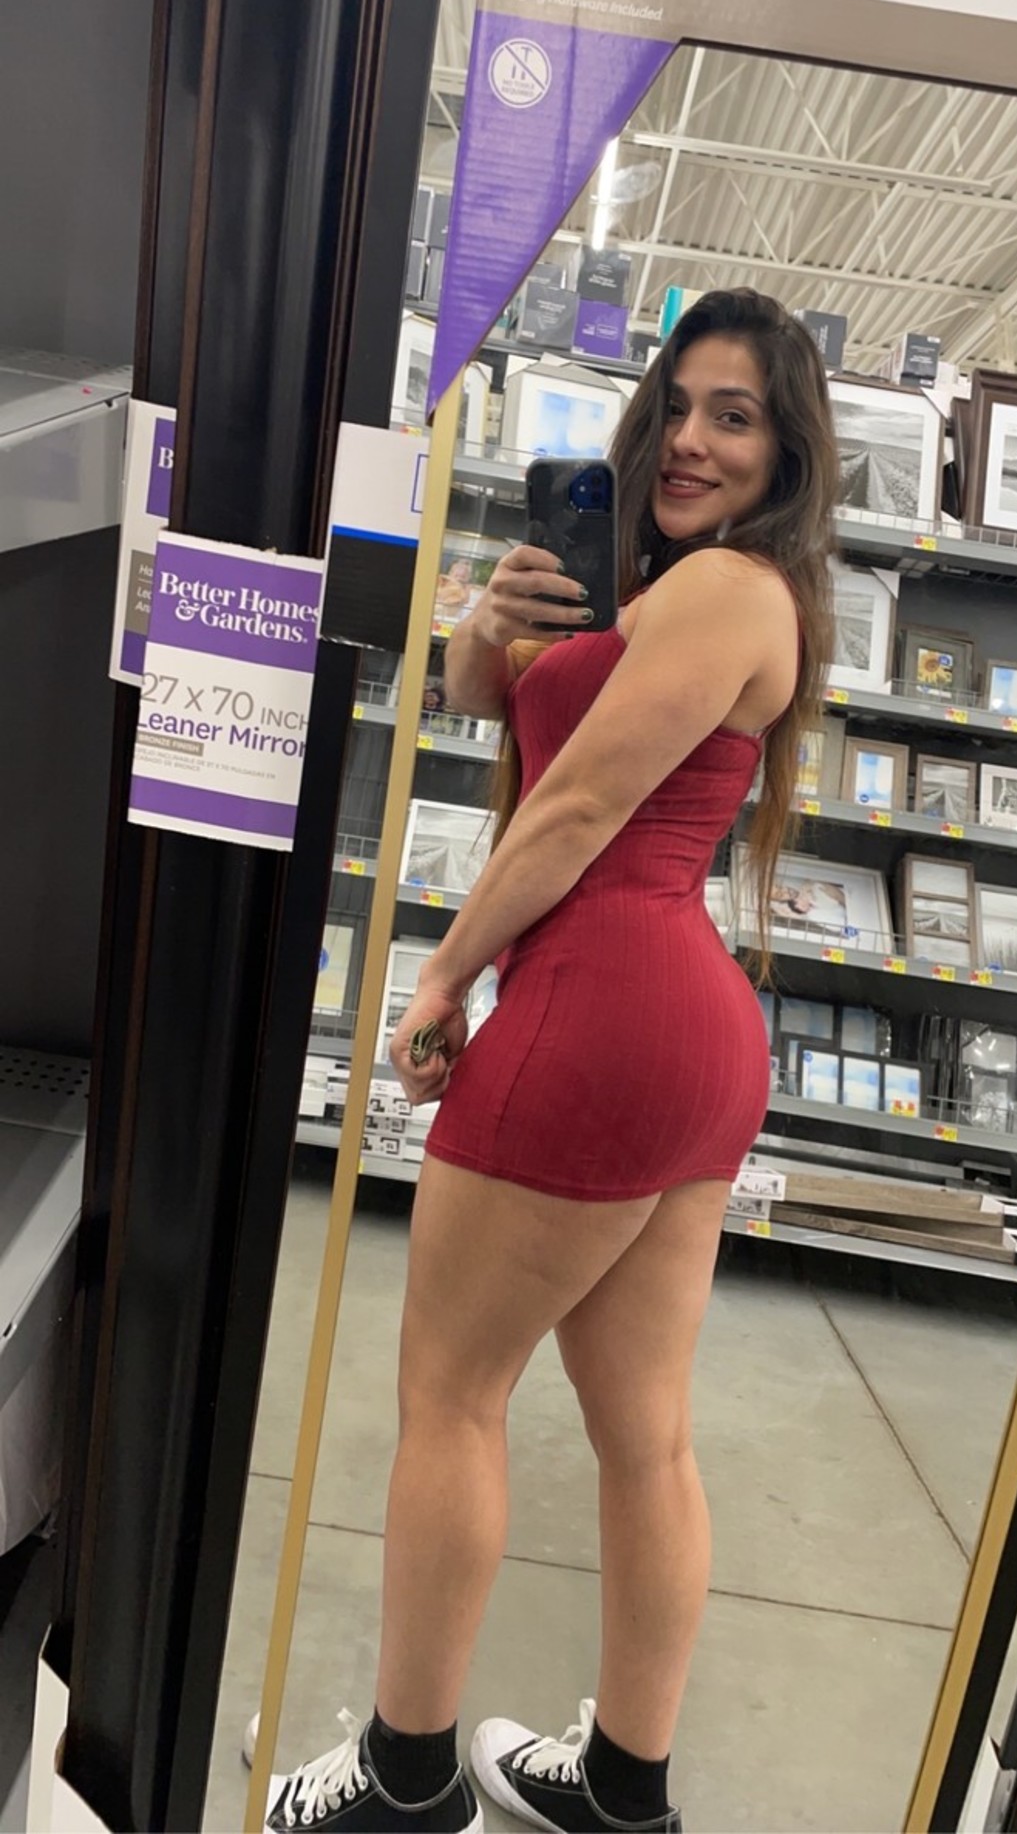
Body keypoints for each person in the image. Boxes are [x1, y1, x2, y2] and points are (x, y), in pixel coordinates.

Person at [267, 289, 837, 1834]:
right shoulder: (654, 586)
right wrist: (491, 621)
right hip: (685, 1031)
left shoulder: (726, 589)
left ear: (788, 452)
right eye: (682, 406)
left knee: (452, 1393)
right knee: (644, 1432)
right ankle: (624, 1784)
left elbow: (575, 808)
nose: (696, 440)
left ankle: (403, 1780)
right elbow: (481, 698)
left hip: (597, 1003)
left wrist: (445, 972)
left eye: (737, 416)